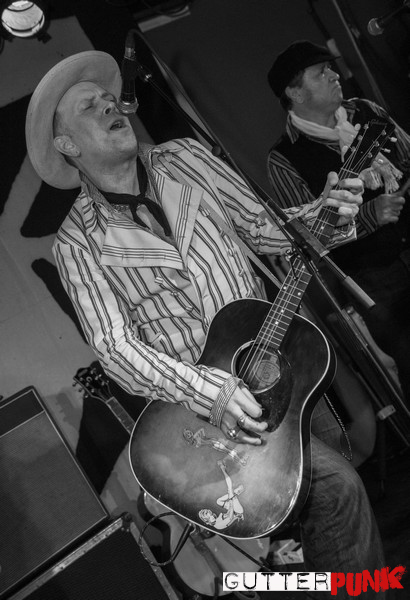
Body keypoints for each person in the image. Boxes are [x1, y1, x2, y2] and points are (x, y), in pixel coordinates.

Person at [26, 50, 384, 590]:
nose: (109, 106)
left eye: (108, 98)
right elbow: (115, 346)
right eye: (88, 107)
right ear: (67, 146)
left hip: (286, 366)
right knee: (338, 492)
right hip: (208, 421)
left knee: (334, 506)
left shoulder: (187, 158)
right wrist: (208, 389)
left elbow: (267, 230)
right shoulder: (77, 242)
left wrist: (328, 210)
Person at [266, 39, 410, 406]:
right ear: (295, 93)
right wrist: (370, 215)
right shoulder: (285, 158)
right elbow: (309, 239)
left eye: (331, 68)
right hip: (374, 277)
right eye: (321, 72)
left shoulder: (366, 111)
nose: (334, 75)